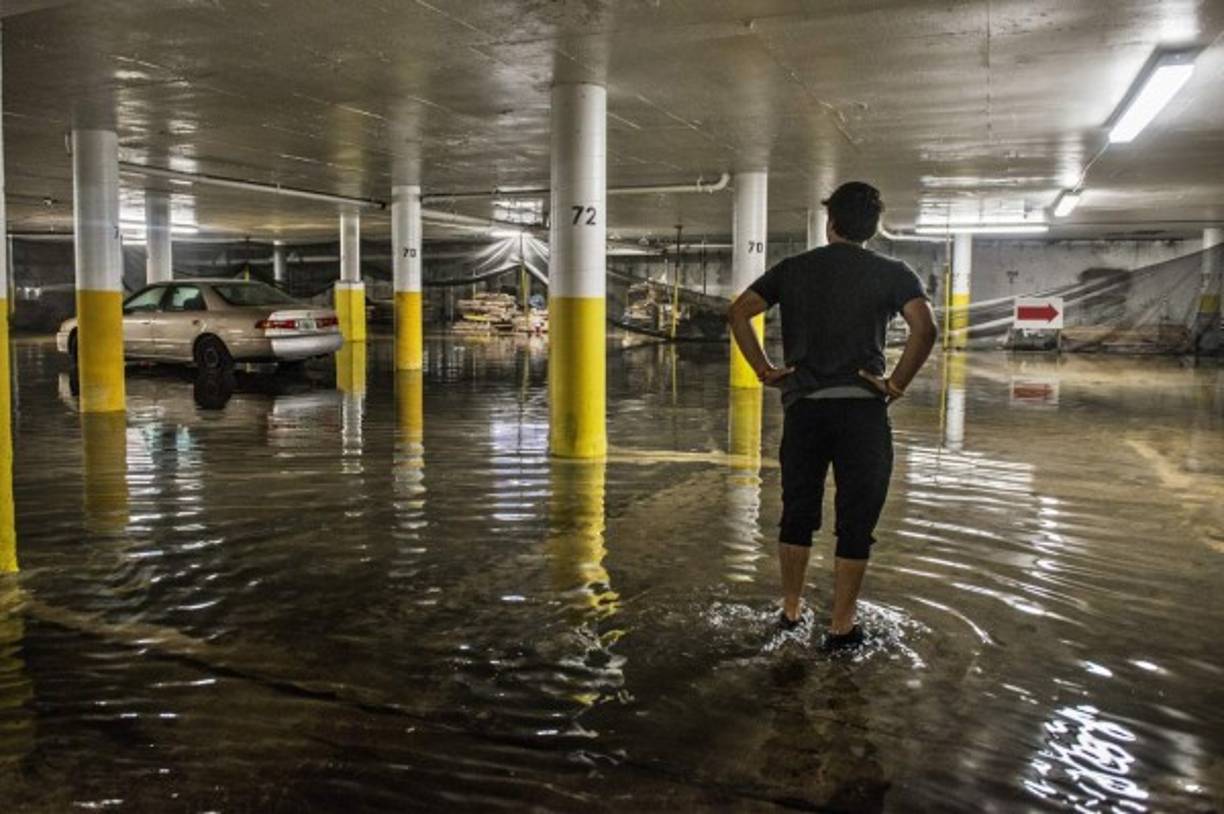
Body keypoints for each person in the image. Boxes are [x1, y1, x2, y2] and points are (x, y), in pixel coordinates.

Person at [727, 181, 937, 649]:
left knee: (797, 513)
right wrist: (895, 385)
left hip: (805, 411)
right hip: (863, 412)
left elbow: (739, 313)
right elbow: (926, 328)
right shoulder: (894, 271)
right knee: (856, 521)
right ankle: (842, 626)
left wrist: (765, 370)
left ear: (831, 223)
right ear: (874, 226)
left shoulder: (794, 269)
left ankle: (791, 610)